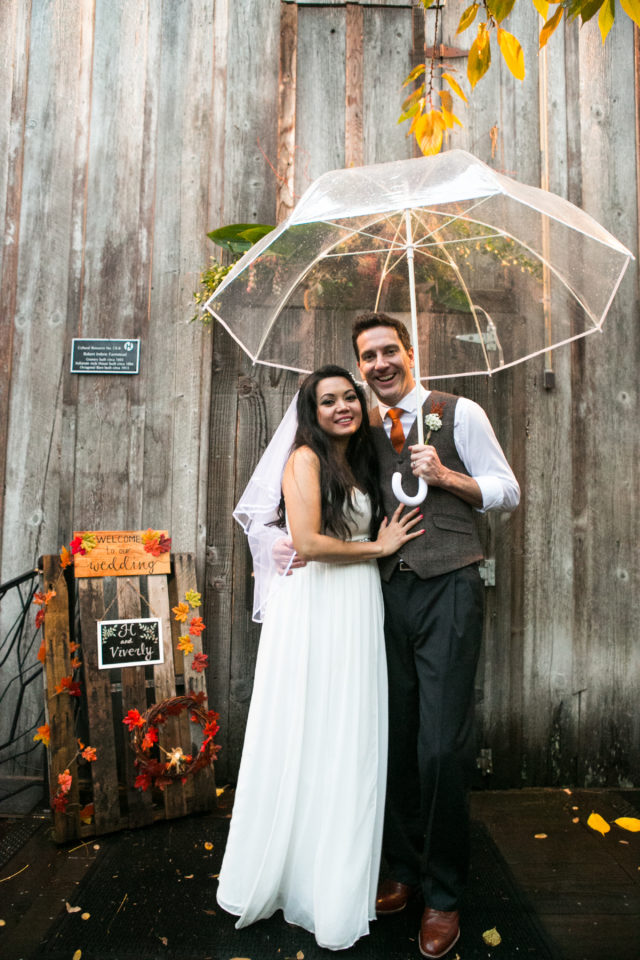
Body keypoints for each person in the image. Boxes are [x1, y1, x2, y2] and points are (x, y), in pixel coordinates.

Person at [216, 364, 424, 951]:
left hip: (356, 604)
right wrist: (376, 546)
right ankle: (298, 874)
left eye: (348, 398)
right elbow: (305, 542)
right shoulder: (304, 460)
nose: (341, 407)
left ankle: (336, 871)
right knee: (309, 729)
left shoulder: (358, 461)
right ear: (311, 411)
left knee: (346, 733)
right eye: (328, 400)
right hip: (317, 608)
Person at [351, 312, 520, 958]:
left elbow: (509, 490)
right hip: (382, 593)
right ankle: (400, 867)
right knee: (392, 737)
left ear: (411, 352)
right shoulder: (363, 429)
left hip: (449, 587)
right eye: (368, 357)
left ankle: (443, 894)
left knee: (442, 747)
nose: (380, 364)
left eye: (389, 351)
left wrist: (446, 475)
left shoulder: (460, 413)